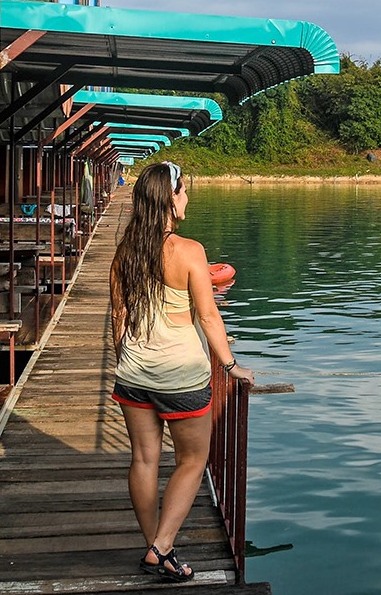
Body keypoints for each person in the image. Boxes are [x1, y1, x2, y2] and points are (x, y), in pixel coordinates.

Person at [109, 160, 254, 582]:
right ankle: (162, 546)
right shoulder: (189, 251)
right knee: (193, 459)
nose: (187, 198)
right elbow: (208, 318)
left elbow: (119, 315)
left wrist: (131, 356)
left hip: (133, 372)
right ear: (170, 200)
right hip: (181, 377)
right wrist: (231, 365)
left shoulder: (125, 252)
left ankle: (155, 543)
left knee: (143, 458)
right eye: (183, 191)